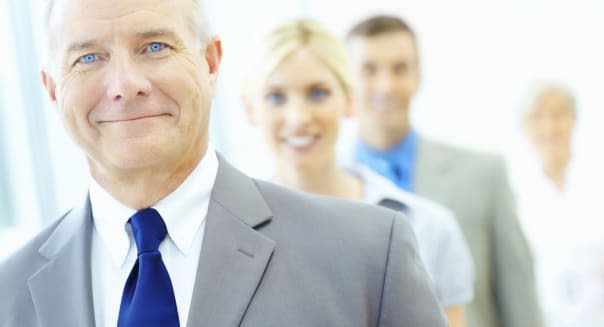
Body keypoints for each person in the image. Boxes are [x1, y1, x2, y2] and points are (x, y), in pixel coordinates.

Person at [0, 1, 448, 326]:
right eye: (89, 57)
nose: (126, 84)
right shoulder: (9, 294)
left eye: (154, 47)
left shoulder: (367, 255)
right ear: (52, 89)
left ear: (210, 63)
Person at [241, 18, 474, 327]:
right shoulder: (231, 239)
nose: (298, 117)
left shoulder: (428, 227)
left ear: (350, 99)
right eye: (275, 96)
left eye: (318, 93)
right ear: (250, 109)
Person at [346, 15, 543, 327]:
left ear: (418, 76)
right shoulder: (321, 192)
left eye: (400, 69)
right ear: (346, 81)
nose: (386, 85)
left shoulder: (483, 175)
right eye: (369, 70)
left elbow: (521, 304)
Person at [512, 84, 604, 327]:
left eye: (558, 115)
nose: (549, 128)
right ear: (525, 128)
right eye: (538, 117)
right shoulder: (514, 193)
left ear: (574, 120)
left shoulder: (596, 183)